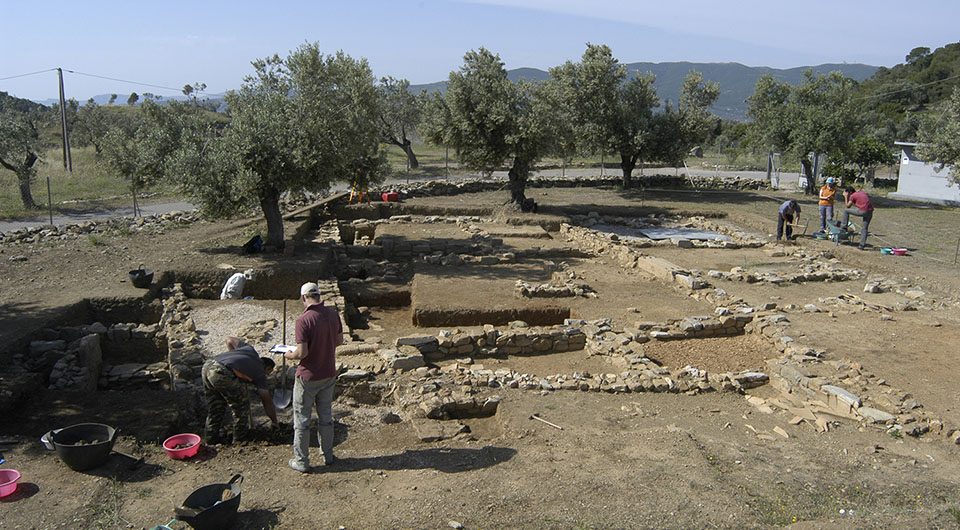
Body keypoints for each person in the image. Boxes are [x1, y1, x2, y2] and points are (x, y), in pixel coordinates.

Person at [285, 282, 343, 473]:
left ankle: (301, 461)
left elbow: (302, 352)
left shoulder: (303, 320)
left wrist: (289, 354)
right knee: (326, 415)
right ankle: (328, 455)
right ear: (319, 295)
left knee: (302, 419)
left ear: (303, 298)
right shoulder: (333, 315)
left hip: (308, 377)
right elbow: (339, 341)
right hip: (328, 373)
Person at [202, 337, 279, 444]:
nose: (267, 375)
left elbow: (229, 340)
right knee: (241, 407)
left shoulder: (249, 349)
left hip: (208, 366)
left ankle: (211, 440)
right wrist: (274, 421)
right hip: (221, 372)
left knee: (216, 407)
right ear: (268, 369)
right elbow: (267, 401)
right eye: (268, 373)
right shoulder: (260, 373)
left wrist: (234, 361)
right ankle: (239, 439)